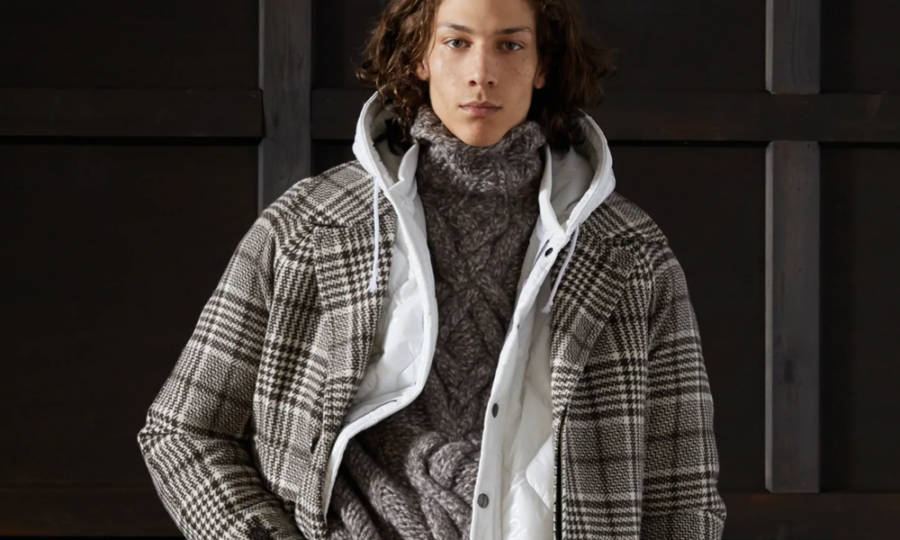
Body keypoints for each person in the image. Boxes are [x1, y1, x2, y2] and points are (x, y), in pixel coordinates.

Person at [137, 0, 727, 538]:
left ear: (543, 65)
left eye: (510, 45)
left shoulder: (628, 252)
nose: (481, 73)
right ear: (420, 56)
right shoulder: (311, 226)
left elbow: (684, 497)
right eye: (456, 42)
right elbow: (183, 430)